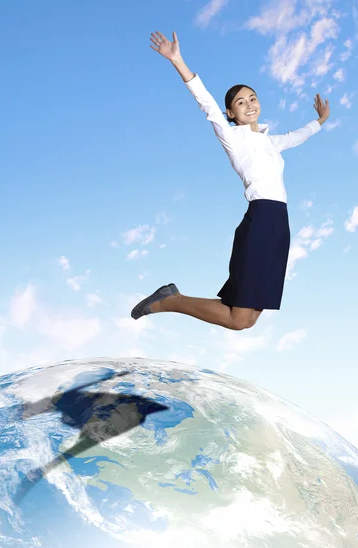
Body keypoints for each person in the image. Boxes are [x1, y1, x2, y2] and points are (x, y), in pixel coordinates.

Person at [131, 30, 330, 331]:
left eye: (252, 98)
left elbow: (296, 137)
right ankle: (170, 300)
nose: (249, 104)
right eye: (240, 103)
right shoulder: (233, 137)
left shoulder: (269, 141)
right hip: (262, 219)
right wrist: (177, 60)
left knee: (246, 319)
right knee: (239, 319)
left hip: (280, 226)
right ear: (231, 113)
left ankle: (171, 298)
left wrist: (319, 122)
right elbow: (207, 103)